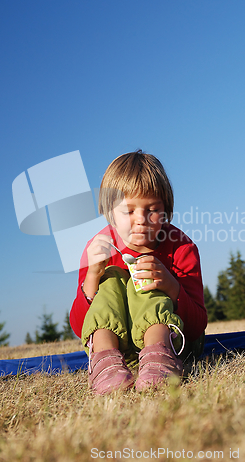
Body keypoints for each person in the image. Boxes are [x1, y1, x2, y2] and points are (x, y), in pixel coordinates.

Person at [70, 150, 207, 394]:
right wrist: (92, 277)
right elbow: (80, 326)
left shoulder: (181, 247)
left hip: (175, 347)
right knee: (111, 281)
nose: (141, 219)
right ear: (110, 212)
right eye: (129, 211)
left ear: (165, 210)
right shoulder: (98, 249)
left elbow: (197, 325)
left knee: (146, 278)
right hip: (122, 354)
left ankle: (159, 357)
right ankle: (105, 363)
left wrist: (171, 286)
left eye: (151, 209)